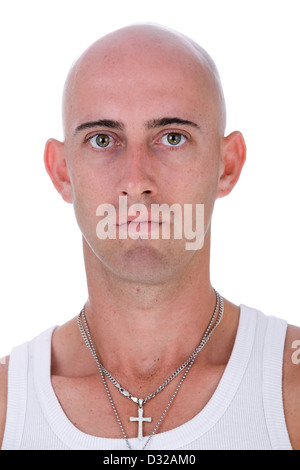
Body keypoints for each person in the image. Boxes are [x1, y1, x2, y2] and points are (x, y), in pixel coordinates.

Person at [0, 23, 299, 451]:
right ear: (62, 172)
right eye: (103, 139)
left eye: (172, 138)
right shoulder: (7, 407)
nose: (136, 181)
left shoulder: (291, 390)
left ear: (227, 165)